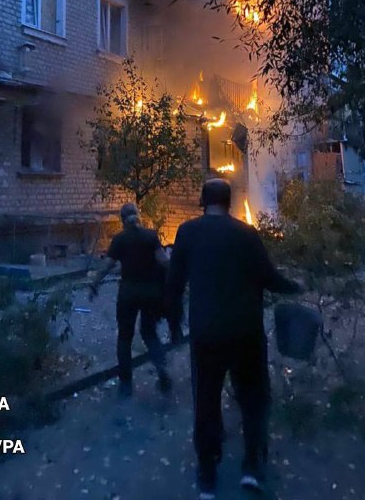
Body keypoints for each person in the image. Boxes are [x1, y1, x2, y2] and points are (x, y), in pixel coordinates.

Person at [167, 179, 302, 500]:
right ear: (229, 202)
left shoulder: (187, 233)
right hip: (246, 332)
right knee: (254, 399)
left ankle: (207, 473)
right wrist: (295, 286)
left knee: (207, 400)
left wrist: (172, 322)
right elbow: (269, 278)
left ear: (203, 201)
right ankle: (253, 467)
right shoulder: (246, 234)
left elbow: (173, 286)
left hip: (207, 334)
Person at [89, 202, 173, 397]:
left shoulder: (120, 239)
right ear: (138, 216)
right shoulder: (150, 236)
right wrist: (176, 280)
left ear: (122, 220)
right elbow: (164, 262)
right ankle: (162, 371)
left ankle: (126, 384)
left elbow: (107, 265)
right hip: (151, 293)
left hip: (128, 294)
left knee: (124, 338)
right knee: (149, 333)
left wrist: (94, 283)